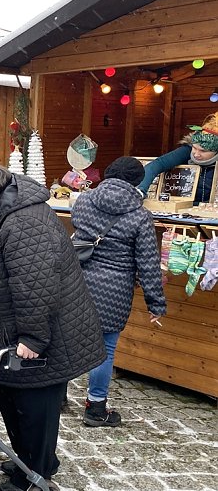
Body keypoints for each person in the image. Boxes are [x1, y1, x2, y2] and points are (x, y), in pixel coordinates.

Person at [0, 164, 104, 491]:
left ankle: (36, 473)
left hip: (44, 337)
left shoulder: (27, 223)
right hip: (4, 331)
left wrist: (32, 338)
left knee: (35, 408)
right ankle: (25, 460)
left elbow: (38, 287)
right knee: (11, 399)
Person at [72, 157, 166, 427]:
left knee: (66, 339)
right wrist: (155, 304)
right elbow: (147, 263)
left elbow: (79, 230)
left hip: (77, 281)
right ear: (137, 181)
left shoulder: (84, 201)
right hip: (115, 289)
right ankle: (95, 408)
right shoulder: (139, 216)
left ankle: (56, 395)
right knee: (104, 349)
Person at [138, 113, 218, 204]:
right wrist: (140, 190)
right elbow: (158, 164)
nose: (196, 154)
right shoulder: (186, 151)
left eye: (203, 151)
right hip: (182, 206)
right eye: (194, 148)